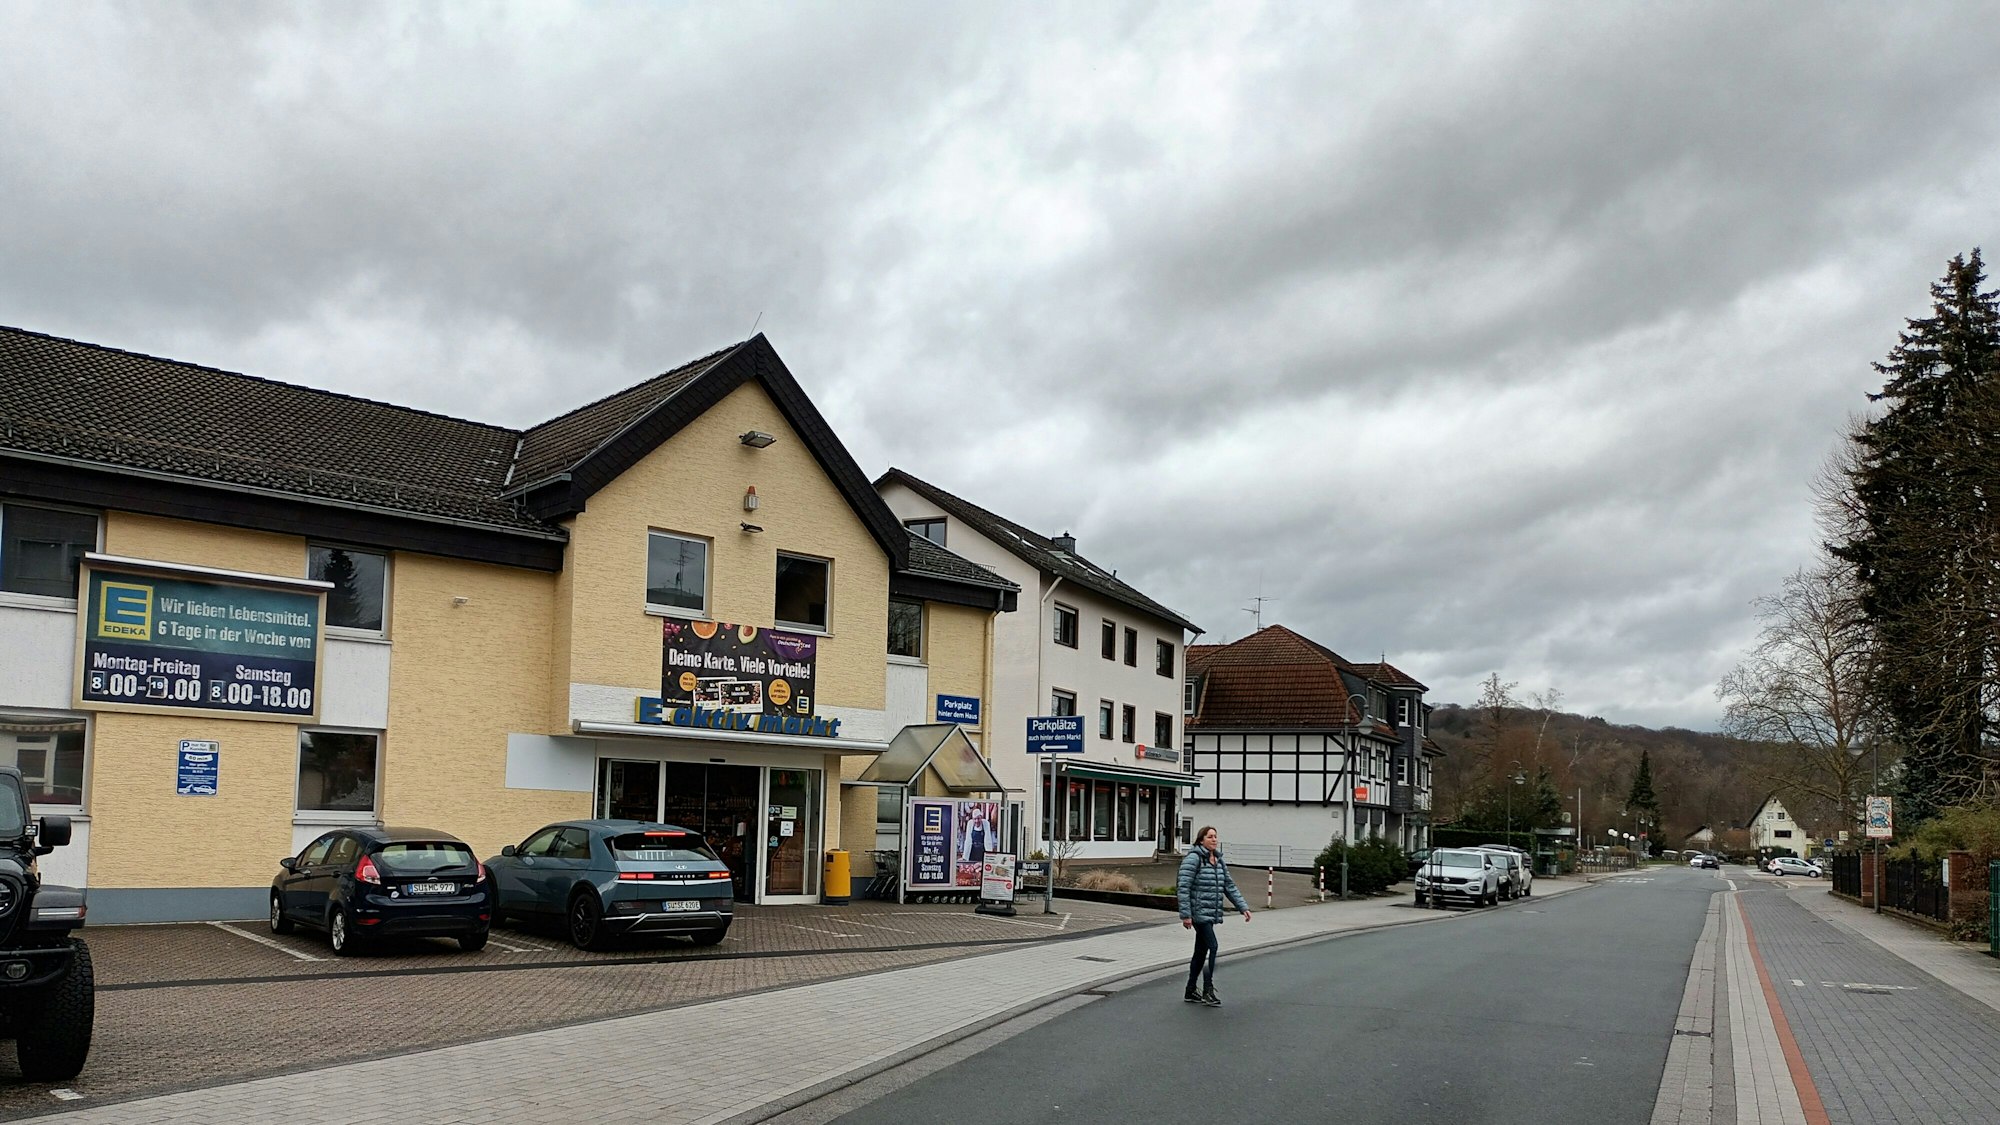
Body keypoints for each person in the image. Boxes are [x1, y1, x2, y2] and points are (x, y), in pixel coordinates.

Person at [1177, 825, 1251, 1006]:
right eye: (1210, 837)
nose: (1214, 840)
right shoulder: (1194, 859)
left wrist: (1243, 907)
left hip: (1211, 912)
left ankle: (1190, 989)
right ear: (1201, 839)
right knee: (1213, 946)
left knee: (1200, 952)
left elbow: (1229, 885)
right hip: (1198, 911)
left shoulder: (1218, 860)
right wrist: (1186, 915)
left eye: (1215, 837)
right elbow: (1183, 886)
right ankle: (1208, 989)